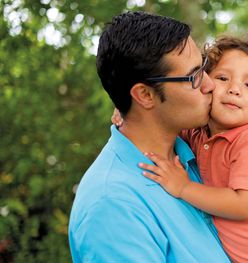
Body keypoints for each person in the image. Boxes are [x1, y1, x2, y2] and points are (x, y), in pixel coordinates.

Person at [68, 12, 231, 262]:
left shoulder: (197, 150)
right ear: (144, 95)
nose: (210, 85)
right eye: (194, 76)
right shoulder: (112, 205)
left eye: (204, 67)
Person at [138, 36, 248, 262]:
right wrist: (134, 111)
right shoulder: (198, 133)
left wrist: (183, 187)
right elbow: (164, 120)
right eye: (223, 78)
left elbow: (243, 205)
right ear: (204, 85)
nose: (234, 89)